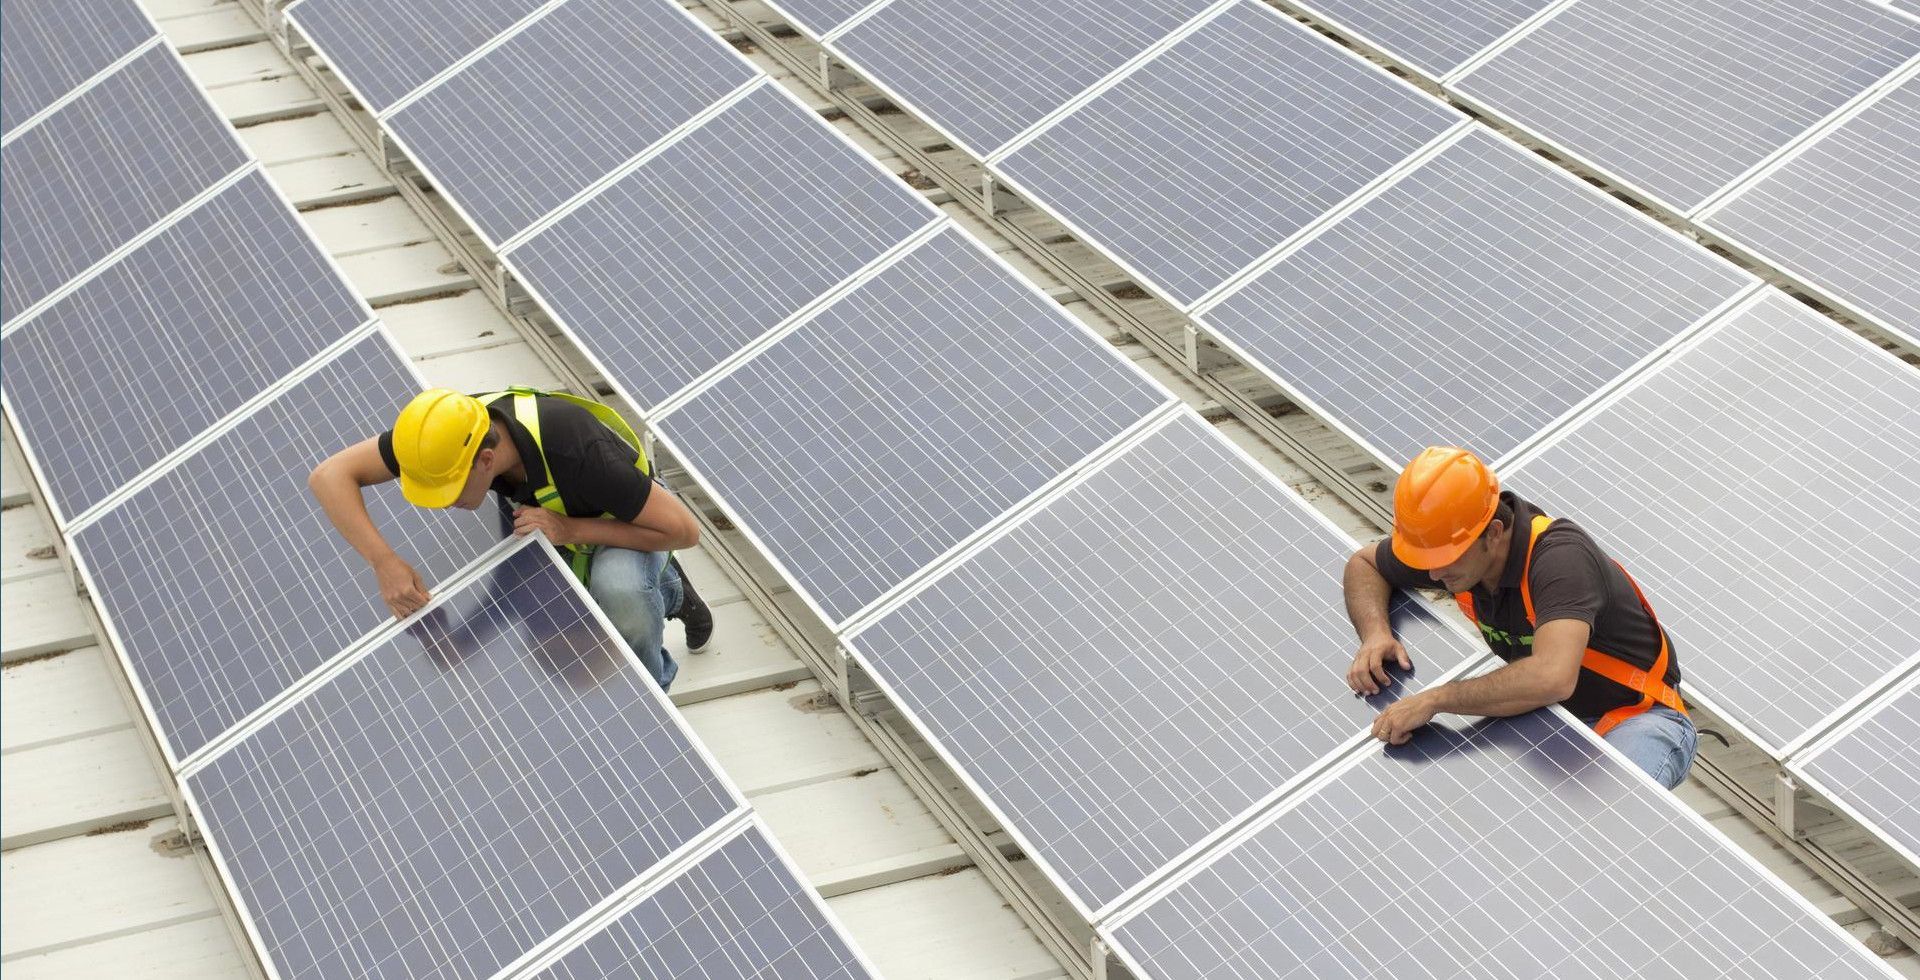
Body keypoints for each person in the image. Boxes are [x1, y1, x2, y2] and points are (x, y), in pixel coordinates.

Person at [310, 386, 710, 690]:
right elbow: (329, 476)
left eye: (447, 491)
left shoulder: (579, 453)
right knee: (541, 605)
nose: (443, 505)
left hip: (625, 519)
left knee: (618, 587)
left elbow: (683, 530)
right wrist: (384, 561)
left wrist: (569, 530)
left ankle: (656, 680)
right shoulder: (448, 436)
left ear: (486, 460)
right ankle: (661, 586)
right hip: (549, 507)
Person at [1341, 446, 1697, 788]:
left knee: (1613, 826)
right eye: (1426, 558)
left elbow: (1552, 677)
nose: (1433, 575)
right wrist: (1375, 634)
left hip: (1639, 718)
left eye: (1445, 557)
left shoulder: (1560, 561)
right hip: (1547, 719)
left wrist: (1435, 699)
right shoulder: (1452, 551)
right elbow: (1364, 563)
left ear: (1494, 533)